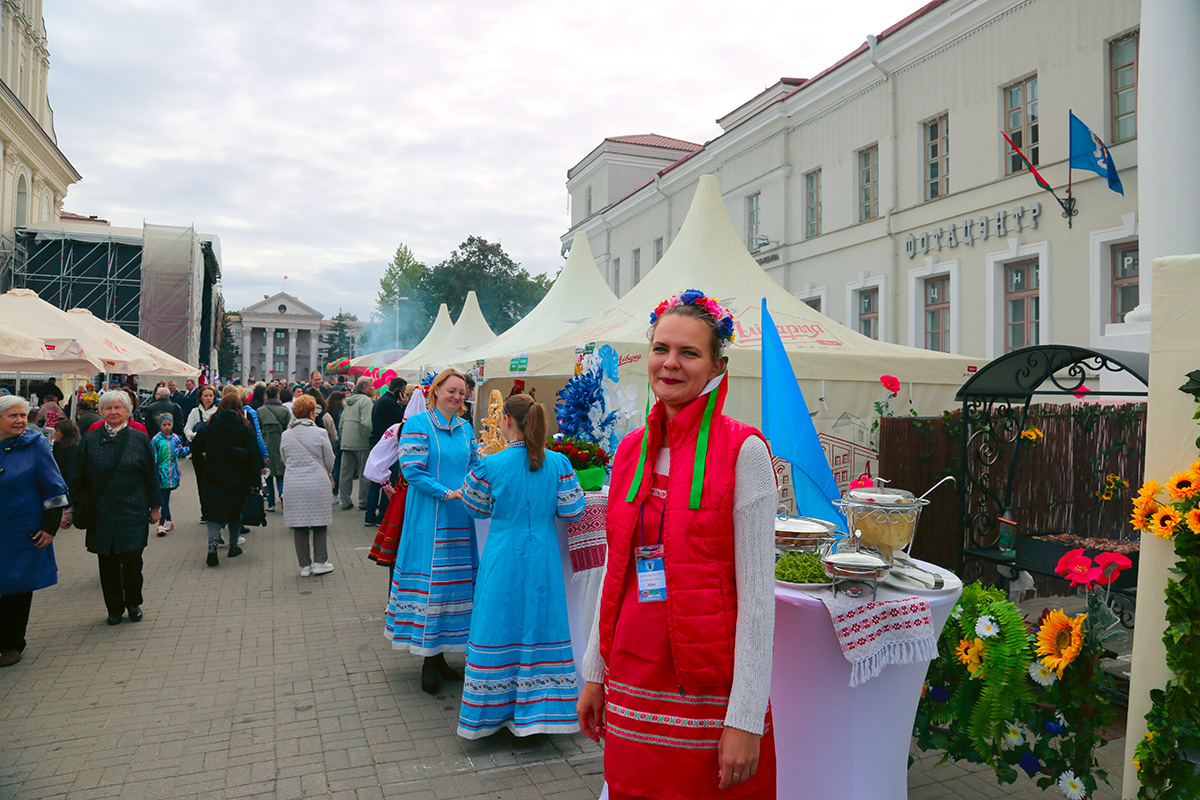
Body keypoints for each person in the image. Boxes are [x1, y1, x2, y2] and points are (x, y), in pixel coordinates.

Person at [576, 291, 777, 799]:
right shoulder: (629, 451)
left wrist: (747, 718)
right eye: (661, 348)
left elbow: (758, 599)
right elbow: (612, 570)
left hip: (707, 688)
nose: (671, 363)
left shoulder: (744, 451)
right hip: (632, 673)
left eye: (689, 353)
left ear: (716, 365)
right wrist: (594, 674)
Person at [457, 394, 585, 738]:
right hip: (542, 556)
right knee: (541, 624)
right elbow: (573, 510)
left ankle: (489, 716)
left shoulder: (491, 464)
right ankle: (541, 714)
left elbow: (474, 507)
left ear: (508, 421)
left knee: (497, 625)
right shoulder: (558, 463)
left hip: (503, 554)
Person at [384, 369, 480, 695]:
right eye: (451, 390)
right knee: (433, 583)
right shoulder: (418, 425)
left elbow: (474, 465)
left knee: (454, 586)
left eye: (461, 392)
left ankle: (440, 656)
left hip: (460, 516)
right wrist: (446, 492)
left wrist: (475, 486)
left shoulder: (466, 428)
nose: (456, 396)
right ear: (436, 391)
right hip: (430, 516)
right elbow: (412, 472)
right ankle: (427, 658)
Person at [66, 390, 162, 626]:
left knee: (132, 560)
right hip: (101, 511)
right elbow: (77, 475)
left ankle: (133, 602)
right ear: (101, 411)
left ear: (128, 411)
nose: (113, 412)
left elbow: (151, 475)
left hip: (133, 509)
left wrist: (155, 506)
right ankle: (114, 608)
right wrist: (70, 507)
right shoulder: (90, 440)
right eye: (108, 408)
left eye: (118, 408)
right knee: (106, 561)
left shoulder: (139, 439)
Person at [0, 395, 69, 667]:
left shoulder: (36, 445)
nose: (20, 420)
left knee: (16, 588)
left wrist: (50, 527)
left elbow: (55, 489)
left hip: (22, 532)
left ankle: (12, 644)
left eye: (23, 415)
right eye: (12, 416)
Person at [189, 394, 259, 567]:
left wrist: (202, 466)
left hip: (213, 473)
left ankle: (212, 547)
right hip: (238, 475)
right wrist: (255, 479)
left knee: (213, 511)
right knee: (235, 509)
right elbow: (253, 453)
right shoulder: (244, 425)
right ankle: (233, 546)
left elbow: (195, 447)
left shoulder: (210, 424)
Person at [279, 394, 336, 577]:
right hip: (317, 482)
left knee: (299, 525)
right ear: (312, 412)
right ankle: (320, 561)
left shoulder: (286, 435)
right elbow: (330, 459)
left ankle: (304, 565)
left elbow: (284, 459)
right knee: (320, 523)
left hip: (293, 482)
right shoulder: (320, 433)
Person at [365, 377, 407, 527]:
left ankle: (369, 515)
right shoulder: (391, 404)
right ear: (398, 391)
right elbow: (403, 422)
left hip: (377, 443)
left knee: (376, 482)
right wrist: (404, 406)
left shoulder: (381, 400)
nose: (404, 395)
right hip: (386, 446)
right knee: (386, 481)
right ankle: (382, 516)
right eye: (403, 392)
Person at [337, 378, 374, 511]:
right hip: (361, 441)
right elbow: (367, 423)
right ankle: (363, 501)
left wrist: (343, 437)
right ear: (364, 387)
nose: (373, 388)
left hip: (346, 440)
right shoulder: (366, 401)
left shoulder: (349, 401)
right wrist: (369, 438)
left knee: (345, 474)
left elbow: (341, 424)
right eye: (371, 386)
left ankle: (345, 501)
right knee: (364, 473)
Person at [151, 414, 188, 536]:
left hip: (172, 472)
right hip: (160, 472)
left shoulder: (175, 438)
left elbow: (180, 451)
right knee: (164, 498)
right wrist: (155, 471)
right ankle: (164, 522)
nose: (167, 427)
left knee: (165, 497)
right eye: (164, 425)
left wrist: (192, 446)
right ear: (160, 425)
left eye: (169, 424)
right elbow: (153, 457)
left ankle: (166, 522)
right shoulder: (156, 440)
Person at [256, 385, 291, 512]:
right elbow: (288, 428)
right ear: (278, 395)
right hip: (281, 443)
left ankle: (270, 503)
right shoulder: (285, 411)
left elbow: (258, 430)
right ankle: (283, 495)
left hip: (266, 444)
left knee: (268, 475)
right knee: (282, 474)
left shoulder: (260, 410)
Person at [51, 419, 82, 493]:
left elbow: (70, 471)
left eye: (57, 431)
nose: (55, 434)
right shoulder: (58, 445)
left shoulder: (73, 449)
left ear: (65, 433)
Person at [326, 390, 346, 503]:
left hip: (328, 441)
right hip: (338, 442)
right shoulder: (341, 411)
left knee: (328, 467)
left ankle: (327, 491)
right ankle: (335, 493)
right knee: (337, 467)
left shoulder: (327, 410)